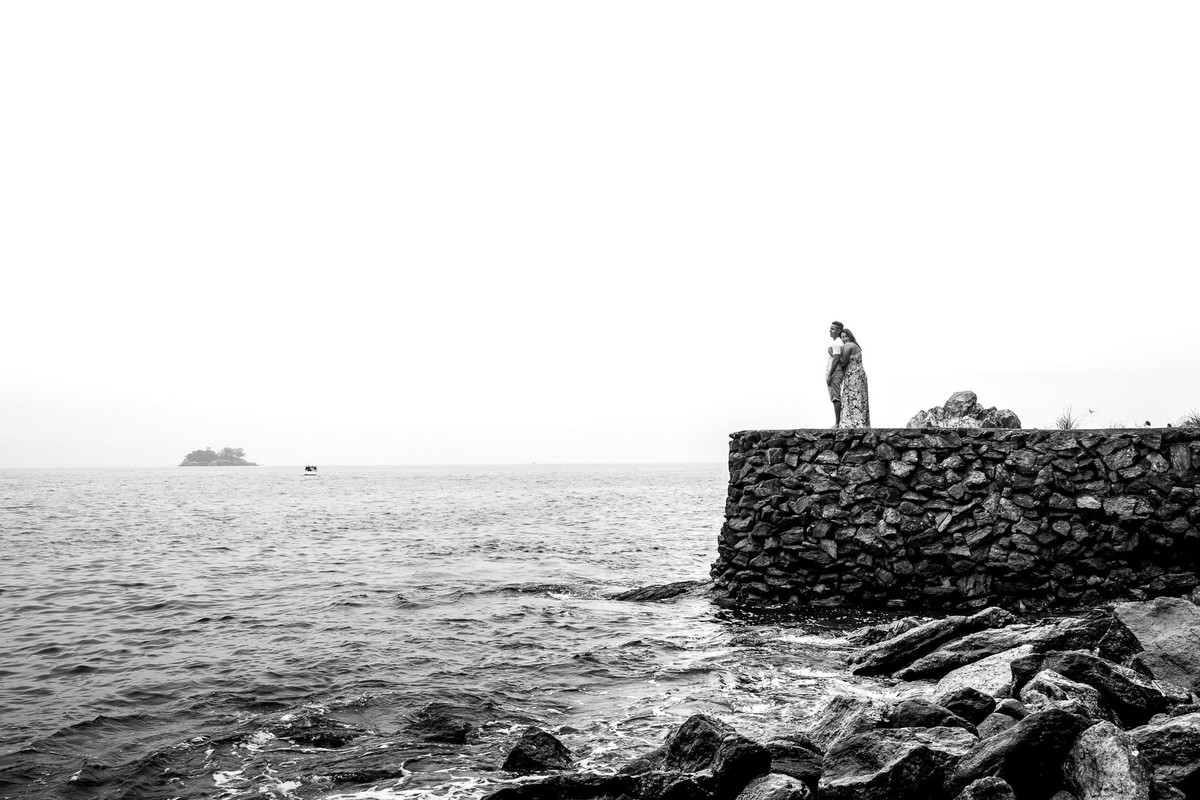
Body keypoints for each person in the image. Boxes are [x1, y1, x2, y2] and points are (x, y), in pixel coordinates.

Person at [838, 328, 870, 428]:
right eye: (842, 337)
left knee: (851, 398)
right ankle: (861, 422)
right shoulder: (856, 345)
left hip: (853, 375)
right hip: (859, 374)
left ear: (850, 336)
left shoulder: (848, 345)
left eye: (846, 336)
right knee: (860, 397)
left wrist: (832, 353)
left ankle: (851, 423)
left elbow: (843, 361)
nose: (844, 339)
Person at [826, 321, 845, 426]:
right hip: (836, 372)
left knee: (835, 397)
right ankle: (838, 422)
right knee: (835, 397)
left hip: (835, 372)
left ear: (838, 331)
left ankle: (837, 423)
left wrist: (830, 375)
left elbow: (836, 360)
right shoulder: (838, 343)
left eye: (832, 329)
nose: (830, 331)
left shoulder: (836, 343)